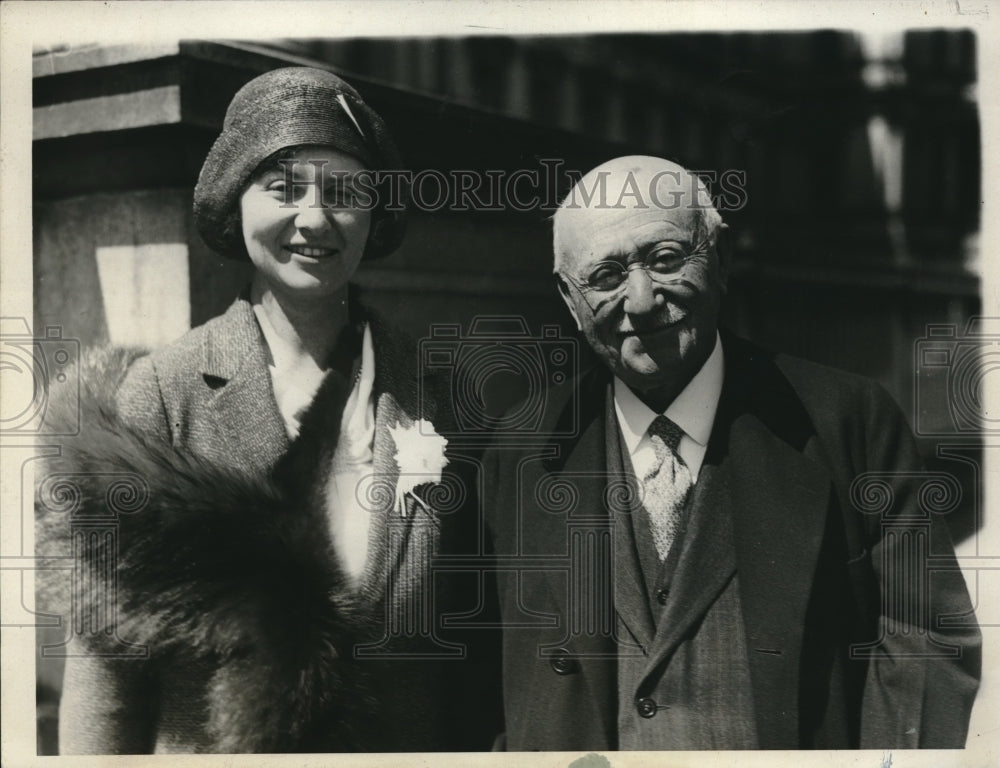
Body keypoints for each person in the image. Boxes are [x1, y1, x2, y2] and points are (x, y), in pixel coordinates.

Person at [43, 67, 499, 754]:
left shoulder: (438, 393)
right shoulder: (163, 397)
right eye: (284, 188)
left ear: (374, 216)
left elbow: (477, 656)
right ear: (235, 202)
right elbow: (107, 678)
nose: (315, 218)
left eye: (346, 192)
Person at [483, 155, 981, 750]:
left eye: (665, 260)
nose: (641, 300)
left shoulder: (848, 422)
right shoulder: (522, 449)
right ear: (569, 299)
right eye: (606, 277)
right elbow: (485, 685)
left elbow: (927, 640)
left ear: (720, 259)